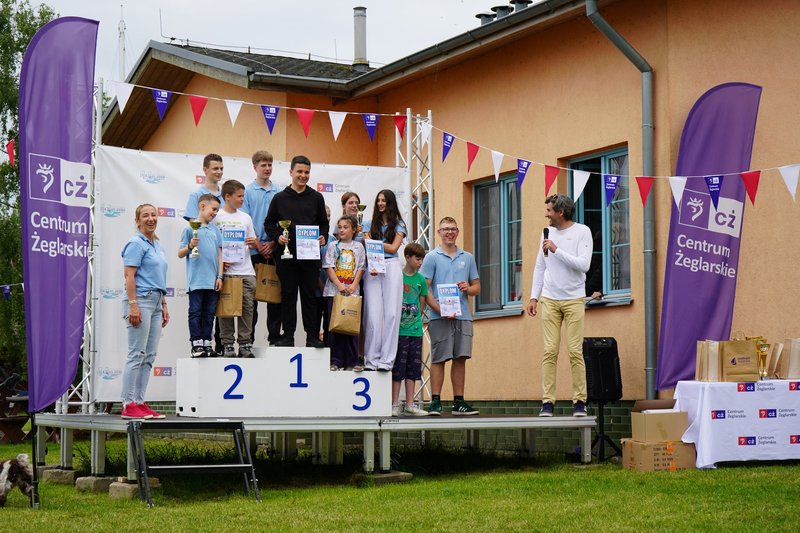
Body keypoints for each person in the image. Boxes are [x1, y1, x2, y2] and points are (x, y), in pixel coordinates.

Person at [525, 193, 593, 417]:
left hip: (574, 299)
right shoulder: (547, 233)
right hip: (550, 299)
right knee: (549, 351)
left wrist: (557, 250)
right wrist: (534, 297)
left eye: (549, 210)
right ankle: (547, 402)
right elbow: (540, 266)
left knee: (575, 351)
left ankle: (580, 402)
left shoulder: (582, 231)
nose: (546, 214)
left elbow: (583, 265)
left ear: (561, 212)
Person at [265, 155, 329, 348]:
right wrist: (278, 237)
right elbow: (269, 224)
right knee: (288, 296)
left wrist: (323, 236)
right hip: (287, 257)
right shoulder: (279, 198)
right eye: (299, 171)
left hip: (310, 257)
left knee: (310, 296)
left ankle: (312, 336)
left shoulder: (316, 197)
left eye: (306, 172)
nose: (303, 175)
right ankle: (288, 336)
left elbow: (324, 224)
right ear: (291, 172)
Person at [421, 217, 481, 416]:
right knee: (439, 357)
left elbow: (477, 287)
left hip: (463, 315)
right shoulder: (431, 257)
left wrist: (468, 288)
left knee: (460, 357)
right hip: (440, 316)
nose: (449, 232)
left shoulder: (468, 257)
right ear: (439, 232)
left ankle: (459, 401)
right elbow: (425, 289)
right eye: (445, 229)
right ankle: (435, 401)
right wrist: (439, 310)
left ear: (457, 232)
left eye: (453, 229)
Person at [121, 204, 170, 420]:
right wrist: (133, 304)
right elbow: (129, 276)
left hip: (156, 301)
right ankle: (128, 403)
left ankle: (139, 402)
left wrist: (164, 304)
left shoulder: (157, 244)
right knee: (136, 354)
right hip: (140, 300)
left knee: (149, 356)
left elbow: (158, 277)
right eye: (145, 215)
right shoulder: (136, 243)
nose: (151, 218)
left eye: (153, 215)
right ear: (137, 220)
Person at [240, 150, 282, 345]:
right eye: (263, 165)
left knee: (275, 296)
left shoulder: (279, 192)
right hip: (253, 251)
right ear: (254, 167)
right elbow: (245, 219)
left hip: (274, 249)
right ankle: (248, 339)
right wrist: (258, 243)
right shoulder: (247, 192)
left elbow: (282, 221)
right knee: (251, 298)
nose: (267, 168)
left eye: (269, 165)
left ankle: (274, 338)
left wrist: (273, 242)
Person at [363, 189, 406, 371]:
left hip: (391, 266)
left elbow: (394, 248)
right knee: (372, 315)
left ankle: (386, 360)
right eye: (378, 200)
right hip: (373, 266)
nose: (381, 204)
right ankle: (371, 360)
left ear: (390, 203)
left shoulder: (399, 224)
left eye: (384, 201)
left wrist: (373, 243)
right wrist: (374, 245)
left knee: (392, 314)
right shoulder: (368, 223)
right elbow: (366, 244)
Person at [215, 180, 258, 358]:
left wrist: (253, 243)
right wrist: (219, 263)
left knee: (247, 309)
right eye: (239, 196)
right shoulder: (217, 217)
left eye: (243, 196)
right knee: (225, 310)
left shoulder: (246, 217)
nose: (242, 199)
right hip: (226, 273)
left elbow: (254, 243)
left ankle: (245, 344)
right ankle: (227, 344)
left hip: (246, 271)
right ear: (227, 196)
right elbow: (212, 245)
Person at [178, 194, 223, 357]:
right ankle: (196, 344)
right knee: (196, 312)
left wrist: (220, 276)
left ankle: (207, 343)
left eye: (217, 211)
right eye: (213, 209)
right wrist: (190, 246)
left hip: (212, 281)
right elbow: (180, 253)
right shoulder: (189, 228)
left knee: (209, 313)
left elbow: (220, 255)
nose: (215, 213)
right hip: (196, 281)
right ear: (202, 206)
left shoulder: (215, 230)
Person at [391, 243, 429, 417]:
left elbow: (422, 303)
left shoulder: (421, 280)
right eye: (417, 259)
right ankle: (394, 403)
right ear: (407, 258)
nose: (420, 262)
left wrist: (416, 321)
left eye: (422, 259)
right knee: (398, 366)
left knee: (413, 368)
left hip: (416, 330)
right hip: (399, 331)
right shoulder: (398, 277)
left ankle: (410, 403)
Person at [323, 215, 366, 370]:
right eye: (340, 227)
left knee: (351, 327)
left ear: (354, 230)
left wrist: (354, 285)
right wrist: (339, 285)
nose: (341, 230)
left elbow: (361, 267)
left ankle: (352, 361)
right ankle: (335, 361)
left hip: (352, 293)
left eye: (345, 227)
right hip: (334, 292)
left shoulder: (359, 247)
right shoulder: (333, 245)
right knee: (336, 327)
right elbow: (328, 266)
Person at [184, 153, 224, 221]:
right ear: (205, 170)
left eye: (221, 169)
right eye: (215, 168)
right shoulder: (196, 195)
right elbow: (193, 224)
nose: (220, 172)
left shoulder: (226, 196)